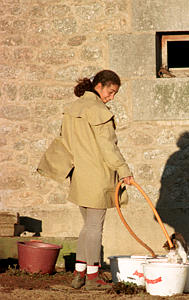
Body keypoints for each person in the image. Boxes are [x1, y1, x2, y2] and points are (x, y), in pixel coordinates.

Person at [37, 70, 133, 290]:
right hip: (98, 176)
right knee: (94, 228)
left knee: (87, 227)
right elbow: (109, 147)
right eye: (110, 91)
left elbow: (64, 142)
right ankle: (93, 277)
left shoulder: (73, 109)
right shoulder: (98, 110)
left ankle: (79, 274)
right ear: (98, 86)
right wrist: (124, 170)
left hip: (79, 176)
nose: (112, 97)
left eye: (115, 93)